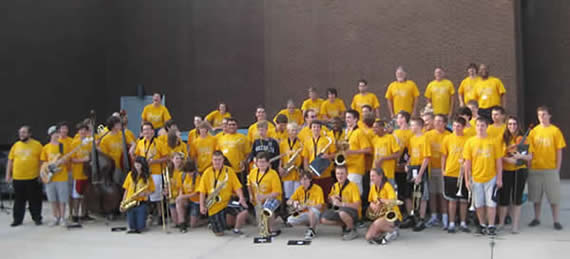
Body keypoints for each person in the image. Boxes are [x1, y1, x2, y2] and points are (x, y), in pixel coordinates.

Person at [527, 106, 566, 230]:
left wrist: (557, 168)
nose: (542, 117)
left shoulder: (555, 131)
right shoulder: (534, 132)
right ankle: (537, 218)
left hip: (550, 169)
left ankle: (556, 220)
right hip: (536, 168)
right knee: (536, 197)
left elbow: (559, 150)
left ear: (549, 116)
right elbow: (530, 151)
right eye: (539, 115)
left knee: (554, 197)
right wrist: (529, 166)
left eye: (544, 114)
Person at [463, 117, 503, 236]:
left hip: (491, 177)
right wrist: (466, 180)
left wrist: (500, 178)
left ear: (487, 127)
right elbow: (467, 163)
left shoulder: (494, 141)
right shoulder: (470, 142)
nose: (480, 128)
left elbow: (499, 162)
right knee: (479, 204)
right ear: (475, 127)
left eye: (482, 125)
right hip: (476, 178)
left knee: (491, 203)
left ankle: (491, 226)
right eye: (478, 125)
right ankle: (482, 224)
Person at [198, 151, 248, 236]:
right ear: (212, 160)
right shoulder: (207, 172)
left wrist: (241, 198)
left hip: (227, 202)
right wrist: (202, 206)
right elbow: (202, 192)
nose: (217, 162)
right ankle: (216, 224)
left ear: (223, 160)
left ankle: (236, 229)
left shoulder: (229, 171)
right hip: (214, 205)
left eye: (219, 159)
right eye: (215, 160)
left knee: (244, 211)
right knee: (219, 233)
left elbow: (237, 187)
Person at [498, 116, 531, 233]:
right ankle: (501, 223)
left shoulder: (523, 139)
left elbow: (529, 156)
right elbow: (500, 155)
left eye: (514, 124)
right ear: (507, 125)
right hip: (506, 171)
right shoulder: (503, 138)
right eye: (510, 124)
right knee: (504, 198)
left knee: (517, 198)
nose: (512, 126)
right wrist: (509, 160)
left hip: (519, 171)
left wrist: (520, 157)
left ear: (518, 125)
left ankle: (515, 225)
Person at [6, 126, 43, 227]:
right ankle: (17, 220)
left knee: (34, 200)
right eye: (20, 133)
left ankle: (37, 218)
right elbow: (10, 160)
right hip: (18, 178)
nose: (21, 134)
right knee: (18, 200)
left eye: (24, 132)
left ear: (29, 134)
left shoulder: (37, 145)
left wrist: (41, 174)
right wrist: (8, 175)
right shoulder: (16, 145)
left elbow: (41, 161)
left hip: (32, 177)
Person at [134, 122, 168, 225]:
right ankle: (148, 215)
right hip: (144, 173)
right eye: (144, 130)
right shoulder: (140, 143)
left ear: (153, 131)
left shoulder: (159, 143)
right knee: (145, 196)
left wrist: (155, 161)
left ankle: (161, 216)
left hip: (156, 172)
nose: (146, 132)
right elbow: (137, 157)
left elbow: (167, 158)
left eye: (148, 129)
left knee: (157, 196)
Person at [441, 117, 471, 233]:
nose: (455, 128)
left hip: (464, 173)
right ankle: (451, 223)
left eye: (458, 126)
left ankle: (463, 222)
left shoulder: (468, 140)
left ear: (463, 127)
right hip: (451, 172)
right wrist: (443, 169)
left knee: (463, 200)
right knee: (452, 200)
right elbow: (444, 155)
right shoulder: (447, 138)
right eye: (454, 126)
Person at [320, 165, 361, 240]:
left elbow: (357, 205)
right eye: (338, 173)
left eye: (342, 173)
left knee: (342, 212)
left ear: (347, 174)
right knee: (323, 219)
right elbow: (329, 199)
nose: (340, 176)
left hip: (352, 212)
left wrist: (342, 204)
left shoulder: (353, 186)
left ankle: (352, 230)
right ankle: (346, 225)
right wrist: (332, 198)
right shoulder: (335, 186)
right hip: (339, 210)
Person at [425, 114, 451, 229]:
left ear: (445, 123)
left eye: (440, 121)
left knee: (442, 194)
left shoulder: (449, 135)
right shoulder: (428, 135)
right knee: (432, 193)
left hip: (444, 169)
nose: (437, 123)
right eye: (435, 121)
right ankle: (434, 216)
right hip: (431, 168)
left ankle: (445, 217)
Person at [247, 152, 283, 237]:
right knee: (261, 224)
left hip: (273, 198)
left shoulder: (273, 174)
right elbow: (248, 184)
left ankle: (272, 228)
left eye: (263, 162)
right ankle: (271, 224)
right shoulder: (253, 172)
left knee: (267, 208)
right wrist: (251, 195)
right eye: (259, 162)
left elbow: (277, 192)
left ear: (268, 163)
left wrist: (264, 197)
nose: (261, 164)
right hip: (258, 200)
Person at [41, 126, 70, 226]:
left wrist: (64, 161)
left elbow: (68, 161)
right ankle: (55, 217)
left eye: (58, 133)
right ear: (50, 135)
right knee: (52, 199)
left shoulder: (63, 146)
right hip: (50, 177)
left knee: (62, 199)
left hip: (62, 176)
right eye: (54, 133)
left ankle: (62, 217)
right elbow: (43, 162)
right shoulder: (46, 147)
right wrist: (47, 169)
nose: (56, 135)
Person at [406, 117, 431, 232]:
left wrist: (420, 175)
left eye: (413, 125)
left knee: (422, 195)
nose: (411, 127)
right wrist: (408, 164)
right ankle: (412, 216)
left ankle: (421, 218)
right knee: (411, 194)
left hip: (421, 168)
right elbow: (411, 155)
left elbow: (426, 158)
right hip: (413, 168)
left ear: (419, 126)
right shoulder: (412, 139)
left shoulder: (425, 138)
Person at [365, 168, 402, 245]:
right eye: (370, 176)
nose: (371, 178)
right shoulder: (373, 187)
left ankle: (393, 231)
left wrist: (381, 201)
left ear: (380, 176)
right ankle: (385, 231)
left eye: (373, 176)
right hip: (381, 216)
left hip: (393, 217)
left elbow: (393, 201)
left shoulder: (387, 186)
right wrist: (373, 206)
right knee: (369, 237)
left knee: (377, 224)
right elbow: (370, 201)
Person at [303, 121, 337, 199]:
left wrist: (328, 156)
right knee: (314, 198)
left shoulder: (327, 141)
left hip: (326, 174)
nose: (316, 129)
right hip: (312, 175)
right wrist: (307, 172)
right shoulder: (307, 142)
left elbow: (334, 155)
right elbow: (306, 159)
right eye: (314, 127)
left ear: (321, 129)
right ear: (310, 129)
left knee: (326, 196)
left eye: (318, 127)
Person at [286, 171, 325, 240]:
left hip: (315, 213)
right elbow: (288, 201)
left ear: (310, 179)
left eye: (305, 179)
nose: (303, 181)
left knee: (312, 211)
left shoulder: (318, 189)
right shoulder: (299, 189)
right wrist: (294, 203)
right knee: (290, 220)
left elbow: (320, 205)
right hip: (303, 212)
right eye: (301, 179)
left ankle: (312, 229)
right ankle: (310, 223)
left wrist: (307, 206)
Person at [392, 111, 415, 228]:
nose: (397, 120)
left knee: (407, 194)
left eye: (399, 117)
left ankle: (410, 216)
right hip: (394, 167)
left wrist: (407, 163)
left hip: (405, 167)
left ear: (404, 119)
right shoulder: (395, 132)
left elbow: (411, 151)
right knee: (398, 193)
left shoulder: (410, 133)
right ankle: (398, 214)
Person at [122, 156, 155, 234]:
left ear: (143, 165)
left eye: (139, 163)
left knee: (140, 227)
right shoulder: (130, 174)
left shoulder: (147, 177)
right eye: (136, 163)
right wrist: (123, 201)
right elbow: (126, 189)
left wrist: (145, 193)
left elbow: (152, 190)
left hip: (141, 202)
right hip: (131, 201)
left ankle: (147, 221)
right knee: (132, 227)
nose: (137, 165)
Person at [343, 109, 372, 194]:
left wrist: (352, 152)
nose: (346, 119)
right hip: (348, 167)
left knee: (354, 194)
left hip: (356, 168)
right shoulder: (348, 132)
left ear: (355, 119)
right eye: (346, 117)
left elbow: (368, 149)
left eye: (349, 117)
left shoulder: (359, 132)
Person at [100, 115, 135, 185]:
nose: (120, 125)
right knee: (116, 184)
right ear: (113, 125)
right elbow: (105, 156)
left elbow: (133, 143)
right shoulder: (105, 140)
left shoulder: (123, 135)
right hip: (114, 167)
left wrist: (131, 149)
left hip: (125, 163)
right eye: (118, 124)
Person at [173, 155, 204, 232]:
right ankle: (182, 223)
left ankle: (205, 221)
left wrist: (183, 196)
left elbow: (196, 193)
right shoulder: (182, 175)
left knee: (193, 225)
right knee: (178, 201)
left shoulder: (197, 176)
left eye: (192, 171)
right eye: (188, 172)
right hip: (186, 199)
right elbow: (181, 189)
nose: (190, 173)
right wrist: (180, 196)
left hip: (195, 200)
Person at [69, 122, 93, 223]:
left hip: (88, 173)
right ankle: (75, 214)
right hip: (78, 173)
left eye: (85, 130)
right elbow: (72, 159)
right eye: (81, 130)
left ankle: (84, 214)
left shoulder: (90, 143)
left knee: (86, 195)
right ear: (78, 132)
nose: (83, 132)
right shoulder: (74, 143)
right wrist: (84, 160)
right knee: (76, 195)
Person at [371, 120, 401, 188]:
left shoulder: (390, 138)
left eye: (376, 127)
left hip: (388, 174)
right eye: (373, 127)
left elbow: (397, 154)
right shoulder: (374, 139)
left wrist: (382, 158)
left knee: (389, 197)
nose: (374, 129)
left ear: (382, 127)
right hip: (376, 173)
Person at [279, 122, 303, 199]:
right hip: (287, 172)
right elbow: (281, 157)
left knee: (297, 195)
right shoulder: (283, 143)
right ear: (288, 131)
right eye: (292, 130)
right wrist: (280, 167)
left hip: (297, 172)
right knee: (288, 196)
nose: (294, 132)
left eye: (296, 130)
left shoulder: (301, 143)